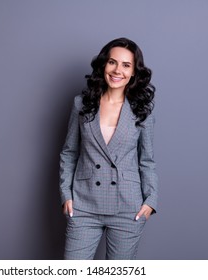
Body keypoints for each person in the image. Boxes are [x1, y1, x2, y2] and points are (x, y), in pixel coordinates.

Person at [59, 37, 158, 260]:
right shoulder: (81, 104)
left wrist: (151, 200)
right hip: (84, 204)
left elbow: (147, 160)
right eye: (112, 62)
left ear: (134, 72)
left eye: (126, 65)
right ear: (104, 65)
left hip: (127, 206)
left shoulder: (142, 110)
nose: (117, 70)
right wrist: (66, 194)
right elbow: (69, 152)